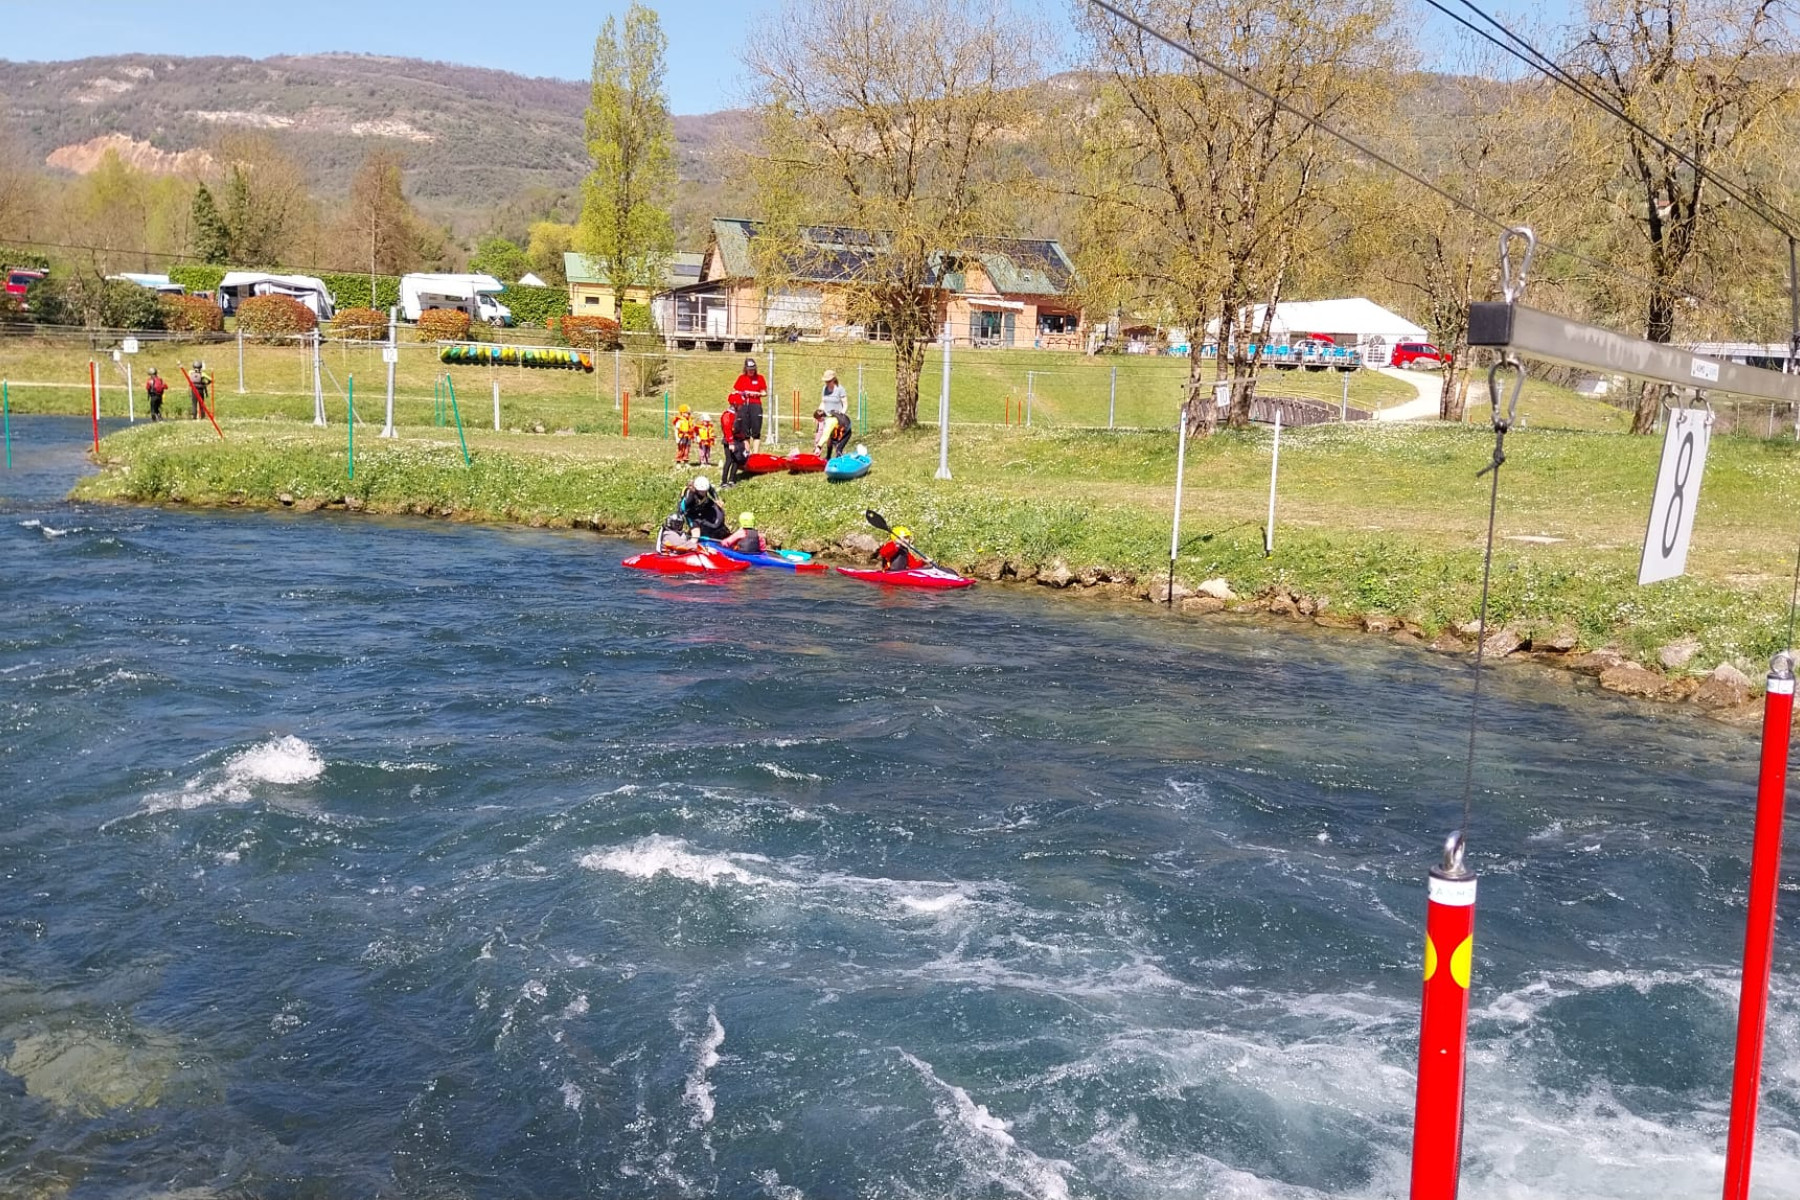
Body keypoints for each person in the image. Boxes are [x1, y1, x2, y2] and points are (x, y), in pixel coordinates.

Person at [730, 357, 767, 454]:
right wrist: (742, 393)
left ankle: (756, 453)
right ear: (746, 369)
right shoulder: (741, 378)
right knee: (745, 431)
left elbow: (764, 392)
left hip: (755, 405)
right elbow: (735, 391)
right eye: (749, 370)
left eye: (753, 369)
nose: (751, 371)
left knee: (756, 430)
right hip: (744, 405)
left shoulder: (760, 378)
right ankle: (747, 452)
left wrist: (756, 393)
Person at [677, 475, 730, 541]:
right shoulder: (690, 496)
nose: (704, 493)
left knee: (718, 513)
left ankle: (719, 530)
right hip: (690, 513)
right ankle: (690, 542)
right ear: (696, 489)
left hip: (702, 504)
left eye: (705, 491)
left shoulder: (705, 486)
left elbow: (712, 491)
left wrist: (717, 500)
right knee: (696, 534)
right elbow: (682, 509)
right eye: (702, 491)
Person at [719, 408, 748, 488]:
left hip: (738, 440)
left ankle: (732, 479)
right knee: (729, 460)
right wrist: (730, 443)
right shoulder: (727, 415)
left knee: (736, 460)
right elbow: (727, 429)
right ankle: (724, 481)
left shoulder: (738, 413)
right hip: (729, 440)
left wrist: (743, 440)